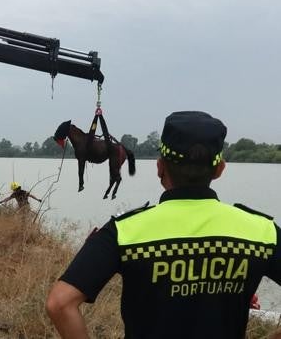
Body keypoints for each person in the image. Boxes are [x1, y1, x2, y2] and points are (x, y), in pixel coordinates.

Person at [45, 111, 281, 339]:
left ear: (160, 167)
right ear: (219, 170)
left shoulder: (124, 231)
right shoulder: (261, 231)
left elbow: (60, 303)